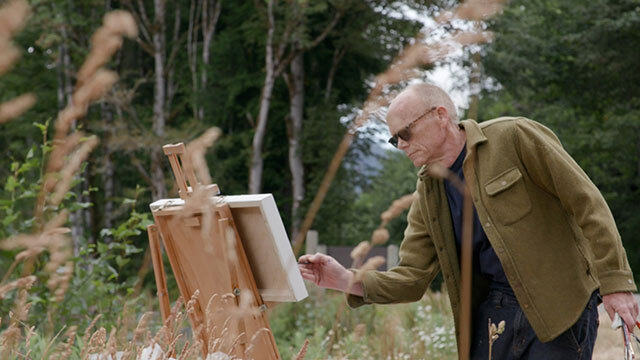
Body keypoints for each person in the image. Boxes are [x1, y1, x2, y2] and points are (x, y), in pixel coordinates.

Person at [298, 83, 638, 359]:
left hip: (558, 309)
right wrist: (346, 279)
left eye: (405, 133)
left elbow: (587, 204)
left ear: (440, 115)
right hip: (491, 318)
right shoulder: (428, 193)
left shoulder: (515, 136)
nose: (400, 145)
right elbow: (413, 277)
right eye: (393, 139)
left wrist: (616, 283)